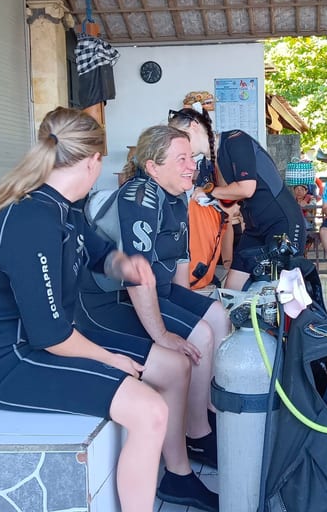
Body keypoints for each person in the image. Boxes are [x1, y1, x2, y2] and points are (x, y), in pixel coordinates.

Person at [0, 107, 217, 512]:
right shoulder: (30, 222)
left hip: (50, 339)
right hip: (9, 362)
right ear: (94, 161)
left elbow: (101, 256)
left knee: (173, 367)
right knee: (148, 410)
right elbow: (51, 335)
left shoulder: (65, 211)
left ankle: (179, 477)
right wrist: (108, 358)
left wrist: (126, 264)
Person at [77, 124, 230, 474]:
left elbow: (179, 265)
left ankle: (204, 409)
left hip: (150, 292)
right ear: (152, 167)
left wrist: (188, 307)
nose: (192, 165)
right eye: (181, 158)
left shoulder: (178, 195)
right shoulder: (140, 195)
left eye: (192, 156)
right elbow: (136, 275)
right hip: (107, 300)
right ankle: (197, 433)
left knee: (218, 317)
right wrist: (163, 334)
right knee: (200, 335)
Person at [168, 107, 306, 290]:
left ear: (194, 125)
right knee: (232, 290)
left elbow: (247, 188)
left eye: (181, 137)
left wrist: (209, 193)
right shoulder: (206, 164)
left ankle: (314, 319)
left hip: (282, 221)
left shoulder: (235, 140)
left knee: (287, 294)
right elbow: (229, 207)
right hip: (254, 228)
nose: (180, 145)